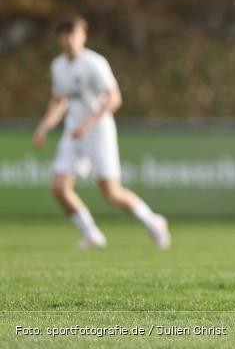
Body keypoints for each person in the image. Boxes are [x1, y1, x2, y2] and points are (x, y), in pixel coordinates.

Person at [32, 15, 170, 250]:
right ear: (59, 38)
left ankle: (153, 221)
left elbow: (115, 99)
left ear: (83, 36)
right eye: (64, 35)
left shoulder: (95, 63)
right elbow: (59, 101)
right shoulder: (58, 66)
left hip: (98, 132)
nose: (68, 40)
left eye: (73, 34)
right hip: (73, 133)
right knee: (59, 188)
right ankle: (92, 234)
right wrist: (45, 125)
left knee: (111, 193)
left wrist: (89, 123)